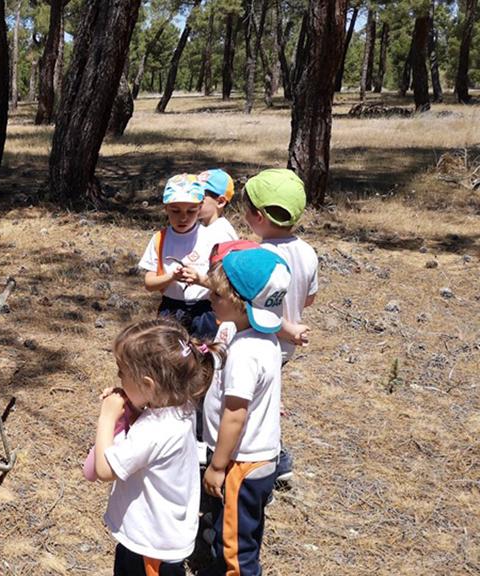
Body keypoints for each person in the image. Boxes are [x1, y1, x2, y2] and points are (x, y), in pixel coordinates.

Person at [87, 319, 224, 576]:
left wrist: (107, 417)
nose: (118, 378)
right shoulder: (180, 404)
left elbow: (104, 471)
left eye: (122, 373)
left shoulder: (155, 430)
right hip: (154, 534)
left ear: (148, 385)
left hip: (151, 545)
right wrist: (131, 410)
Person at [202, 248, 291, 576]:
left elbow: (236, 415)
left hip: (240, 463)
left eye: (217, 292)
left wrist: (217, 465)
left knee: (237, 549)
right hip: (261, 459)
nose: (209, 297)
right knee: (245, 530)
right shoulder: (266, 340)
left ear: (240, 302)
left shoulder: (243, 352)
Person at [243, 169, 318, 485]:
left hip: (265, 342)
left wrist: (285, 329)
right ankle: (278, 461)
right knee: (268, 401)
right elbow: (310, 299)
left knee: (250, 405)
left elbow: (258, 310)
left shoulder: (261, 256)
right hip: (286, 349)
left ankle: (268, 460)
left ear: (258, 217)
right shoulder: (307, 251)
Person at [139, 174, 218, 339]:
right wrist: (171, 277)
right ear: (166, 207)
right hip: (171, 309)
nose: (183, 218)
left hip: (205, 310)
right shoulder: (160, 239)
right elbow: (149, 283)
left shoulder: (212, 238)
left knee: (204, 359)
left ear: (200, 206)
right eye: (175, 211)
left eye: (191, 211)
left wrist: (200, 280)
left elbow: (224, 284)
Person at [197, 169, 238, 243]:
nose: (194, 200)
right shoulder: (202, 227)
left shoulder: (222, 235)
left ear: (220, 202)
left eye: (200, 196)